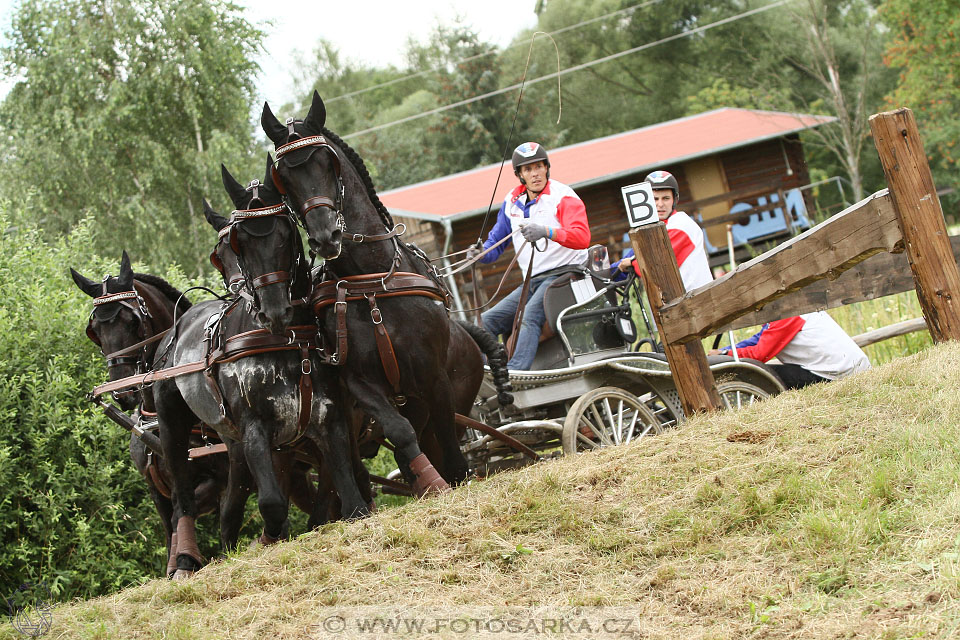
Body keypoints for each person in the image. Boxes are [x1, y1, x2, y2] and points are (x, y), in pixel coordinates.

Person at [468, 142, 591, 370]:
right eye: (528, 169)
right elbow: (495, 244)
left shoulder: (563, 196)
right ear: (520, 175)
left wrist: (547, 232)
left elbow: (582, 237)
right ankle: (489, 372)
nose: (535, 173)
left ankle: (515, 374)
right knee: (484, 323)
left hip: (566, 274)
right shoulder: (511, 202)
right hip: (533, 281)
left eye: (538, 166)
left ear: (546, 167)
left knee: (529, 317)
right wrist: (480, 254)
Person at [708, 311, 871, 389]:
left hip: (839, 375)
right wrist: (725, 351)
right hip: (840, 369)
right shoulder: (789, 310)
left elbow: (759, 354)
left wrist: (724, 354)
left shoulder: (787, 315)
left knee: (758, 374)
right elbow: (757, 340)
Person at [613, 170, 712, 292]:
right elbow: (632, 256)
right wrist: (605, 274)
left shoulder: (681, 225)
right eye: (655, 199)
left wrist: (632, 263)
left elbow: (656, 266)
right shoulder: (653, 229)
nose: (660, 204)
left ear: (674, 200)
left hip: (698, 302)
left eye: (665, 198)